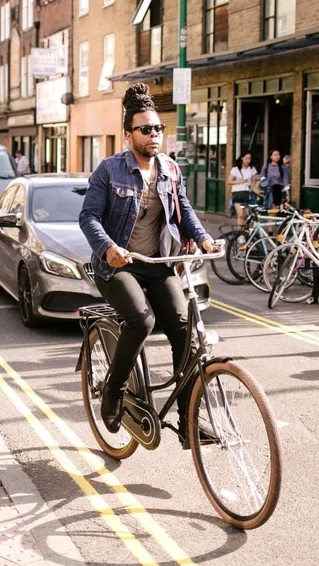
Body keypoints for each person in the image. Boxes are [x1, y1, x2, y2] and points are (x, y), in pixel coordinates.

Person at [79, 82, 216, 447]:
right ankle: (114, 389)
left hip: (156, 263)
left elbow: (183, 211)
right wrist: (108, 248)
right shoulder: (109, 171)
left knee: (184, 329)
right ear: (129, 135)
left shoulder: (170, 169)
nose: (154, 134)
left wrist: (202, 236)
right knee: (141, 320)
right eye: (145, 129)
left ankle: (188, 416)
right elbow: (89, 217)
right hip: (117, 266)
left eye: (158, 128)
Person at [228, 152, 257, 226]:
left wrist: (251, 188)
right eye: (246, 158)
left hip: (247, 193)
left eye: (249, 159)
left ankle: (244, 233)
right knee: (240, 215)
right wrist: (241, 181)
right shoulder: (235, 169)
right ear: (242, 158)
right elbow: (229, 181)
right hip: (237, 194)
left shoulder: (252, 169)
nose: (248, 160)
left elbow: (254, 181)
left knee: (245, 215)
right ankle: (240, 234)